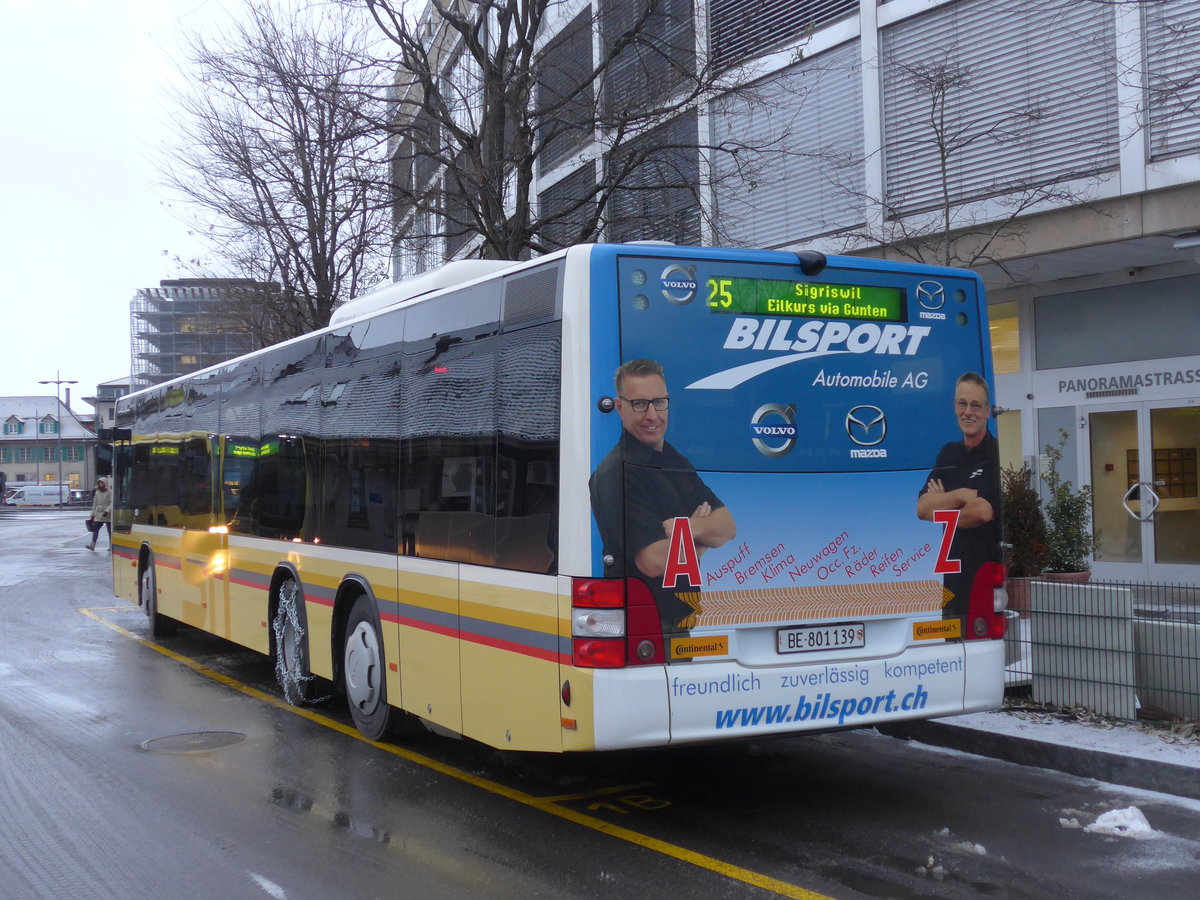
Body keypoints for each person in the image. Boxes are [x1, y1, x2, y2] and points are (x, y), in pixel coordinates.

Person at [589, 359, 736, 633]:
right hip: (647, 625)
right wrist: (702, 542)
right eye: (640, 404)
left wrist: (688, 529)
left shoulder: (672, 460)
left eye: (659, 402)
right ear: (619, 408)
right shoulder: (617, 473)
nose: (652, 415)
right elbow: (653, 562)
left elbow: (727, 527)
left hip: (679, 623)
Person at [916, 372, 1002, 615]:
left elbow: (983, 512)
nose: (968, 412)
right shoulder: (948, 454)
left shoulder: (995, 454)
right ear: (955, 407)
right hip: (951, 580)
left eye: (976, 405)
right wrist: (964, 494)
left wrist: (941, 503)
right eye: (962, 403)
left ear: (987, 411)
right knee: (950, 645)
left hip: (982, 575)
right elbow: (922, 509)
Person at [86, 476, 113, 551]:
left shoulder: (109, 492)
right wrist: (92, 514)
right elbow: (95, 504)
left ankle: (111, 546)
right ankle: (92, 545)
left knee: (110, 531)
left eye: (102, 482)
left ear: (105, 483)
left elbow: (112, 503)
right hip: (99, 513)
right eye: (99, 482)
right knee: (95, 529)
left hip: (107, 514)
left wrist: (107, 511)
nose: (100, 484)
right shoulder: (97, 492)